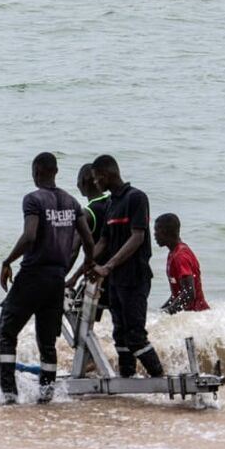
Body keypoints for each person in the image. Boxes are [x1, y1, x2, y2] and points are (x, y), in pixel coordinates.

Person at [0, 152, 93, 404]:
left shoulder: (33, 199)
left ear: (37, 171)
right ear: (56, 171)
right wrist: (89, 266)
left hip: (33, 274)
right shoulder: (73, 203)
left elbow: (30, 236)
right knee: (47, 342)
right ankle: (46, 396)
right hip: (56, 279)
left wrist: (8, 260)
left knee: (7, 331)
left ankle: (9, 394)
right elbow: (88, 241)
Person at [75, 154, 165, 378]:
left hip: (135, 278)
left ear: (106, 175)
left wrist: (109, 266)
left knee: (135, 335)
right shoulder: (112, 204)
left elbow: (137, 237)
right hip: (115, 280)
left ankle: (159, 378)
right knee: (120, 334)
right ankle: (127, 379)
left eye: (97, 178)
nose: (96, 183)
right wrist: (83, 268)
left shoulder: (136, 198)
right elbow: (103, 242)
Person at [74, 162, 111, 321]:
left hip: (97, 276)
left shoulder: (87, 213)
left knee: (81, 319)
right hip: (116, 273)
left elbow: (73, 250)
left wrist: (70, 277)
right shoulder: (113, 201)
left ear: (83, 182)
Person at [154, 213, 209, 314]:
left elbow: (189, 293)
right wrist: (160, 312)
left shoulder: (180, 256)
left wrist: (168, 313)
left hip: (197, 315)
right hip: (192, 315)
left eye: (156, 231)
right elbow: (177, 294)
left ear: (164, 232)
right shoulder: (173, 253)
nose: (154, 235)